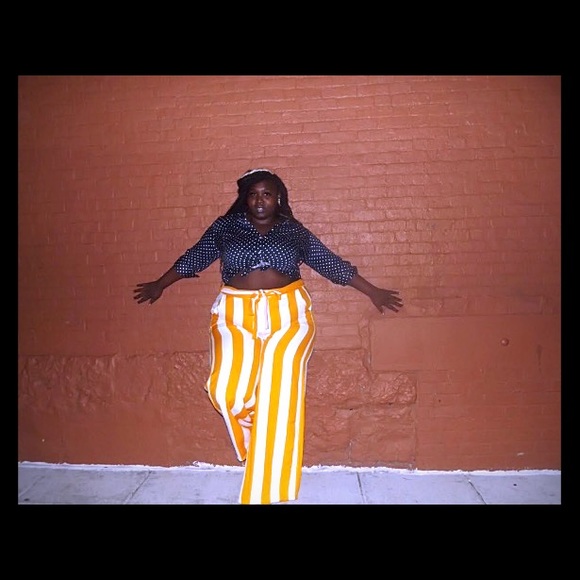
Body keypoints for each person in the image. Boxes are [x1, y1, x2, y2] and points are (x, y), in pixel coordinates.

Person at [133, 168, 403, 505]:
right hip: (234, 313)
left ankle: (268, 490)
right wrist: (160, 284)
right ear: (245, 198)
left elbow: (329, 263)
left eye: (267, 194)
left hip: (289, 315)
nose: (260, 200)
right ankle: (257, 440)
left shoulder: (293, 231)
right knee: (224, 390)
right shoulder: (226, 227)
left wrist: (372, 291)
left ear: (279, 198)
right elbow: (195, 257)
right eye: (253, 194)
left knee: (279, 390)